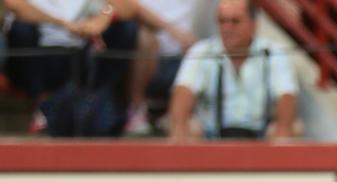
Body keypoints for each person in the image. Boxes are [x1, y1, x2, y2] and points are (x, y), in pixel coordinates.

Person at [167, 0, 295, 140]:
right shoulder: (202, 51)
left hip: (260, 137)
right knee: (189, 128)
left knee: (292, 129)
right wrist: (179, 132)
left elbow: (286, 95)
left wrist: (281, 133)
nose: (227, 28)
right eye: (222, 21)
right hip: (211, 137)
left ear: (253, 25)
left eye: (235, 21)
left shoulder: (273, 52)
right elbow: (183, 91)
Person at [3, 0, 134, 134]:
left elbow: (128, 7)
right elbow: (13, 4)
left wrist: (103, 18)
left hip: (80, 52)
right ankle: (39, 107)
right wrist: (63, 24)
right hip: (36, 56)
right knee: (21, 29)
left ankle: (102, 108)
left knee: (126, 27)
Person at [124, 0, 198, 134]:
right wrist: (171, 30)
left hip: (185, 53)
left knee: (199, 49)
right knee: (146, 38)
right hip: (143, 54)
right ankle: (137, 109)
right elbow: (129, 6)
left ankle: (176, 115)